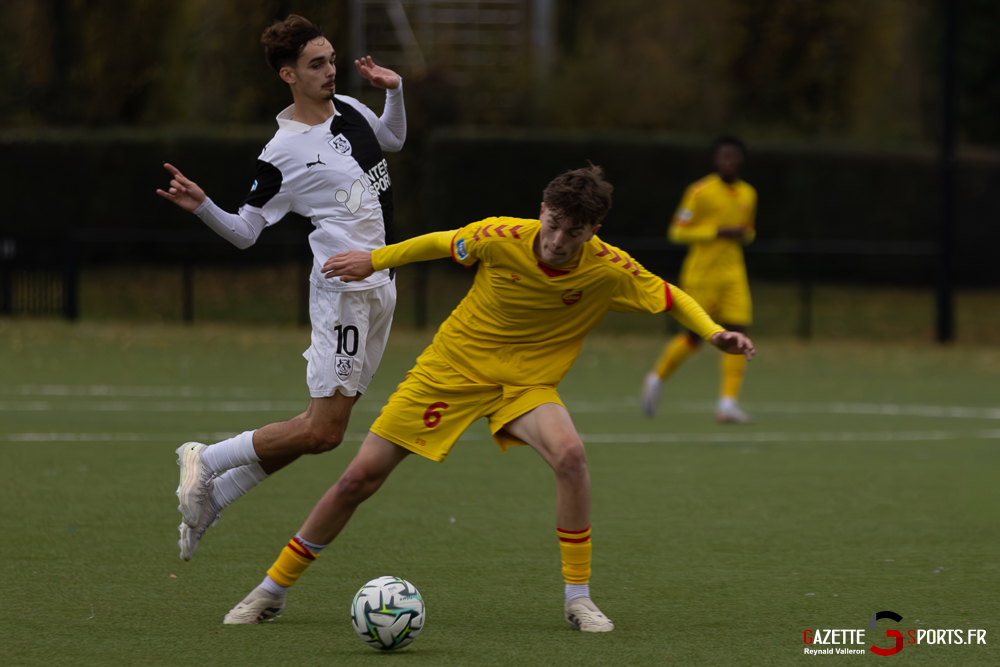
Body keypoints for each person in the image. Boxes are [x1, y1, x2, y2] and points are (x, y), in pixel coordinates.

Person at [221, 166, 755, 631]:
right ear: (541, 210)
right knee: (359, 478)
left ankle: (578, 599)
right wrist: (375, 259)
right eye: (553, 225)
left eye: (574, 232)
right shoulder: (499, 237)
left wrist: (713, 333)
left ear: (594, 230)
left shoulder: (609, 267)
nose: (558, 241)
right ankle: (272, 589)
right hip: (451, 370)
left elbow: (670, 294)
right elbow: (436, 242)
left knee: (571, 457)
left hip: (526, 386)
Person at [155, 15, 406, 562]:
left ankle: (215, 493)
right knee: (323, 430)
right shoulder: (282, 152)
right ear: (288, 75)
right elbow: (246, 232)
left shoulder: (354, 110)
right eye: (317, 65)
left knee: (323, 431)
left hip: (382, 284)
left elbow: (394, 138)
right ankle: (207, 457)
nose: (330, 71)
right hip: (342, 291)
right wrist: (204, 207)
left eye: (332, 60)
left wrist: (395, 92)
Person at [642, 136, 757, 423]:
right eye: (723, 157)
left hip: (733, 274)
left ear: (740, 160)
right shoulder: (699, 191)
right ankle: (657, 378)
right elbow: (677, 232)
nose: (728, 162)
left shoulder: (748, 193)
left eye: (733, 157)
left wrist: (743, 234)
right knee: (695, 337)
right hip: (702, 274)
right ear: (715, 160)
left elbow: (749, 231)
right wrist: (715, 232)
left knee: (738, 333)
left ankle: (728, 403)